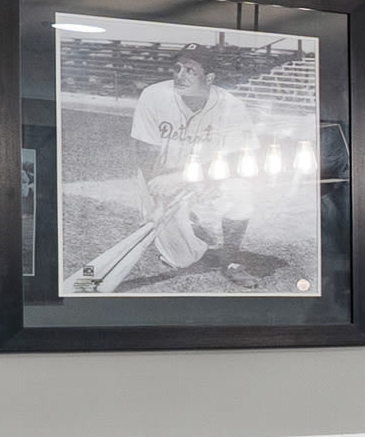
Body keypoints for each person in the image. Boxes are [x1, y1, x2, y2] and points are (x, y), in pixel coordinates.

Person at [71, 48, 271, 292]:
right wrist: (158, 202)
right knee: (182, 260)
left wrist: (185, 178)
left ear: (209, 78)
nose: (180, 75)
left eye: (190, 71)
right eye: (177, 68)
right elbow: (145, 152)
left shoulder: (231, 106)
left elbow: (240, 159)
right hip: (160, 179)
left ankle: (230, 261)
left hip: (208, 179)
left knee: (241, 190)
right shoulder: (154, 96)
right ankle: (191, 225)